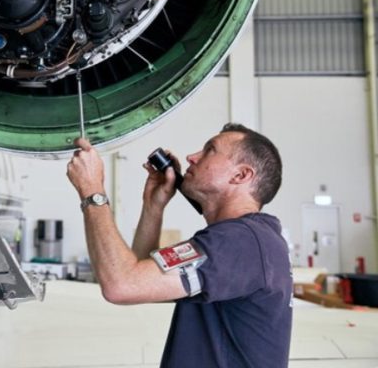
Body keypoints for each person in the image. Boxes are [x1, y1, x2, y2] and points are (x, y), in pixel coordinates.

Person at [67, 124, 291, 368]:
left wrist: (92, 191)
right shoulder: (249, 239)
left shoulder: (240, 241)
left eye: (209, 150)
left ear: (240, 175)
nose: (191, 158)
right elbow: (141, 282)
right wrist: (153, 206)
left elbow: (121, 285)